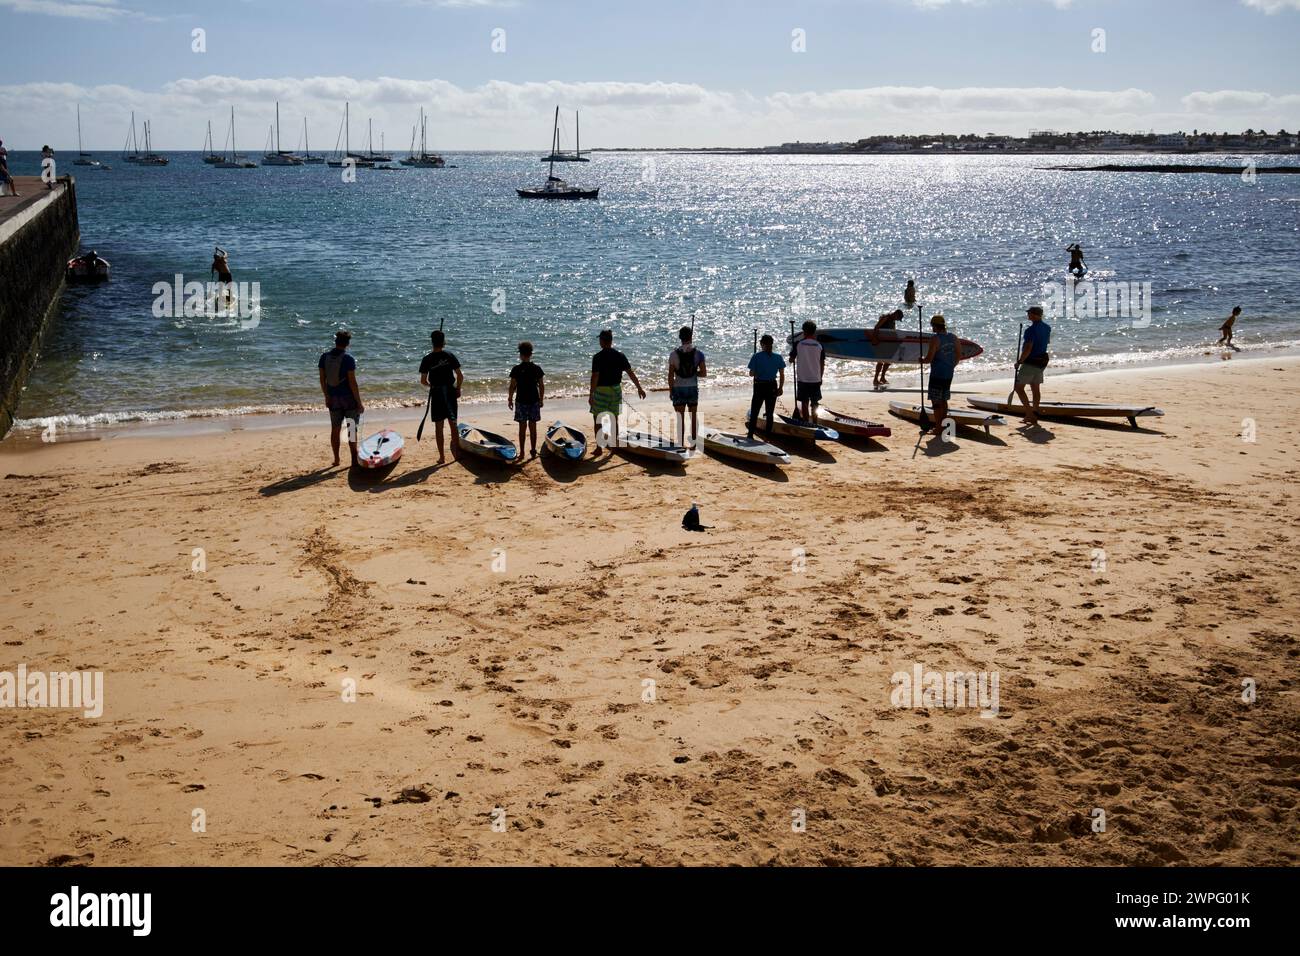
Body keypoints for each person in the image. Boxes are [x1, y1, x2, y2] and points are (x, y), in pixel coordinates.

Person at [588, 329, 646, 456]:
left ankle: (599, 448)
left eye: (600, 340)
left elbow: (595, 377)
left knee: (597, 420)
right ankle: (614, 448)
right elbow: (630, 373)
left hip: (601, 391)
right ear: (611, 340)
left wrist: (591, 394)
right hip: (615, 390)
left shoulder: (597, 357)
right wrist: (639, 388)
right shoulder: (620, 356)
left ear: (602, 341)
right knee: (614, 419)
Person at [318, 330, 363, 467]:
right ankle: (354, 460)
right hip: (348, 399)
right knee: (352, 428)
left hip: (333, 399)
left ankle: (337, 459)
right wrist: (359, 403)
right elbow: (352, 383)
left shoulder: (324, 357)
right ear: (347, 344)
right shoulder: (348, 359)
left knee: (335, 429)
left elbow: (322, 380)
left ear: (335, 342)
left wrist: (327, 396)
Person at [419, 329, 463, 464]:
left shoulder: (427, 359)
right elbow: (460, 376)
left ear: (432, 342)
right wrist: (458, 388)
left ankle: (442, 457)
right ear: (443, 342)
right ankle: (456, 454)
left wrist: (431, 386)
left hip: (437, 393)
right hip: (450, 391)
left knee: (439, 426)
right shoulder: (449, 355)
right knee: (453, 423)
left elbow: (423, 380)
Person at [921, 314, 961, 437]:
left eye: (932, 325)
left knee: (936, 402)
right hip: (949, 374)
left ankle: (939, 428)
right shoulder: (953, 337)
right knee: (944, 400)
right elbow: (958, 355)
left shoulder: (935, 339)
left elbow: (929, 359)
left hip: (937, 374)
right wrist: (951, 366)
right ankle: (943, 426)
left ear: (935, 326)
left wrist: (921, 360)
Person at [667, 325, 706, 447]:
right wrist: (694, 373)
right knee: (693, 416)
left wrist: (671, 390)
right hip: (692, 387)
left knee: (680, 418)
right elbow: (704, 373)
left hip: (678, 388)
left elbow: (670, 376)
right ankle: (694, 443)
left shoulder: (673, 354)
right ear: (691, 336)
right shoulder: (699, 354)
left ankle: (680, 444)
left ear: (680, 338)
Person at [1014, 305, 1051, 427]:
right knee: (1035, 388)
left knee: (1019, 388)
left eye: (1029, 313)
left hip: (1031, 362)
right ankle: (1035, 411)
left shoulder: (1030, 331)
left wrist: (1020, 361)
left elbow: (1028, 348)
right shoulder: (1047, 328)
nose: (1028, 315)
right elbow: (1046, 342)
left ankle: (1030, 414)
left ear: (1035, 315)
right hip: (1042, 361)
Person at [508, 341, 544, 459]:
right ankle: (533, 451)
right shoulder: (537, 368)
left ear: (521, 355)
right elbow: (541, 385)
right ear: (531, 354)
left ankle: (522, 452)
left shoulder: (516, 369)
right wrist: (541, 399)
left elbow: (512, 386)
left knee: (522, 428)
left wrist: (510, 399)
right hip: (534, 400)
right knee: (533, 427)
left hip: (521, 401)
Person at [746, 334, 785, 439]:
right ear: (772, 344)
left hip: (760, 385)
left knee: (755, 411)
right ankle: (768, 436)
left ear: (762, 344)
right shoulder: (778, 357)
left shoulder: (756, 356)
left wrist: (758, 370)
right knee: (770, 412)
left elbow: (751, 373)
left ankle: (750, 435)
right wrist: (780, 387)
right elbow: (782, 374)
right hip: (772, 385)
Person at [790, 319, 825, 421]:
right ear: (814, 331)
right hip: (816, 378)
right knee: (815, 402)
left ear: (803, 331)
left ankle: (806, 422)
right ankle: (814, 421)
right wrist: (820, 377)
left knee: (804, 402)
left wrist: (793, 355)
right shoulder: (819, 345)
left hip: (803, 379)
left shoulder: (798, 344)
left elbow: (791, 360)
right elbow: (822, 363)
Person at [870, 309, 903, 389]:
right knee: (880, 362)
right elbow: (876, 327)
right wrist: (874, 338)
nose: (897, 320)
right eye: (898, 318)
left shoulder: (893, 322)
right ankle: (875, 379)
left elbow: (893, 332)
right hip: (881, 343)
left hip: (888, 344)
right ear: (895, 314)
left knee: (888, 361)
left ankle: (882, 378)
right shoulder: (885, 318)